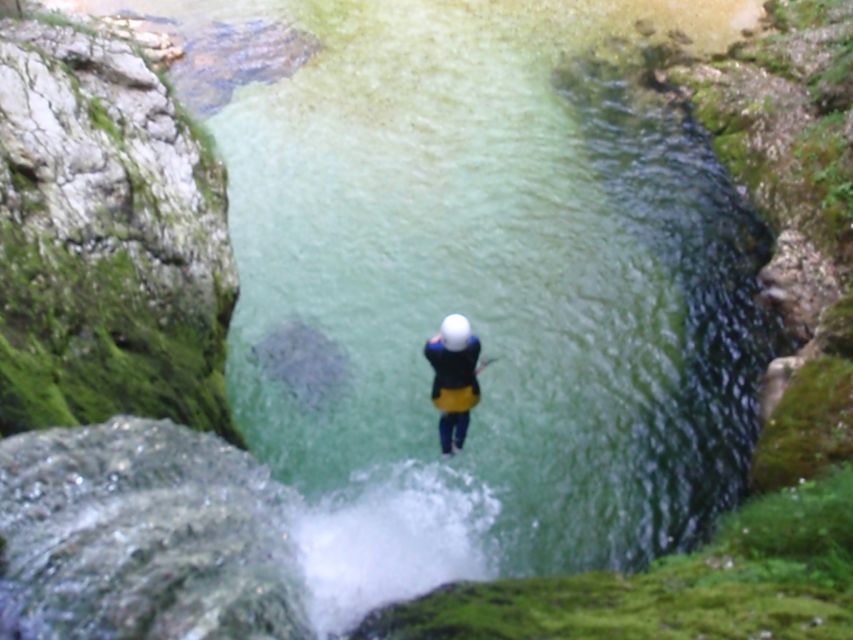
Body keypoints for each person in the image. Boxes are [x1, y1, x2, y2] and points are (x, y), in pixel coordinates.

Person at [424, 314, 481, 456]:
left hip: (443, 396)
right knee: (464, 414)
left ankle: (446, 450)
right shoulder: (475, 346)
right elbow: (470, 338)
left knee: (446, 419)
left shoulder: (432, 351)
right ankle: (459, 445)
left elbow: (431, 342)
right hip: (469, 394)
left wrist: (441, 336)